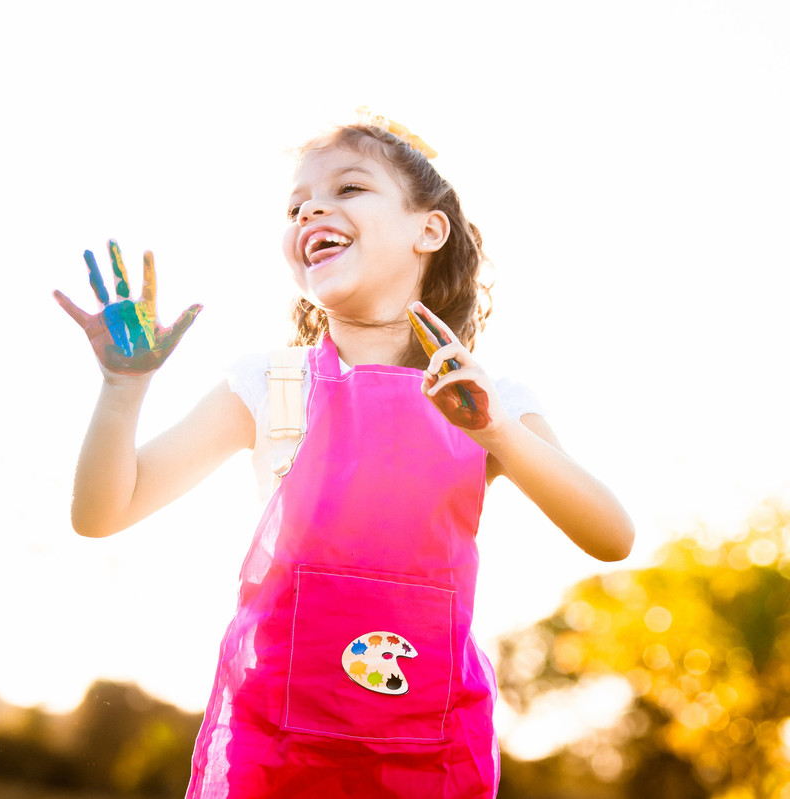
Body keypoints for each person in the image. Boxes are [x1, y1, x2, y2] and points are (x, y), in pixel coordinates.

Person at [53, 114, 634, 798]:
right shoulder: (269, 384)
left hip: (432, 758)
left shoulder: (490, 399)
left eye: (349, 187)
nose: (312, 211)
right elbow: (102, 513)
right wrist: (123, 389)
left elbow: (612, 536)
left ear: (429, 230)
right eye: (295, 206)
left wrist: (500, 433)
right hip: (272, 757)